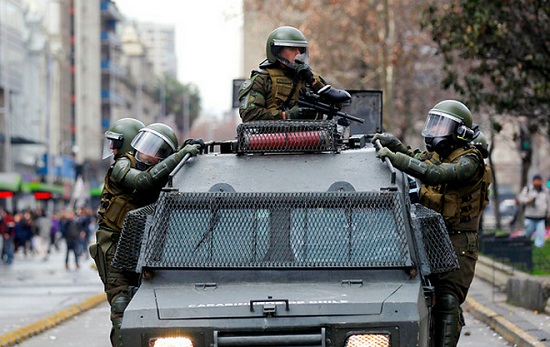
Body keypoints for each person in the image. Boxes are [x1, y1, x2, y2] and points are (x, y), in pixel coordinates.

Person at [372, 100, 492, 347]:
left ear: (459, 132)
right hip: (434, 237)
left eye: (441, 126)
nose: (434, 132)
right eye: (433, 125)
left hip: (459, 242)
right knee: (425, 296)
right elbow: (420, 159)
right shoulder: (441, 155)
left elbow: (436, 174)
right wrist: (396, 146)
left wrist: (398, 159)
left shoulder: (471, 161)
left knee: (447, 300)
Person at [89, 119, 202, 347]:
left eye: (156, 151)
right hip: (112, 247)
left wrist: (183, 152)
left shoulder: (156, 169)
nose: (149, 155)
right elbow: (143, 182)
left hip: (142, 250)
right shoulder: (121, 165)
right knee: (121, 306)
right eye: (147, 148)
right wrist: (180, 155)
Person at [239, 25, 328, 122]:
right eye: (292, 48)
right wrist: (286, 115)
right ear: (277, 51)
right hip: (273, 136)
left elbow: (337, 105)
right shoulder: (262, 79)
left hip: (312, 135)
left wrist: (313, 82)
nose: (298, 53)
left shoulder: (310, 78)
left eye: (300, 49)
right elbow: (249, 114)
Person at [517, 174, 550, 248]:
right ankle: (525, 245)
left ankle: (538, 247)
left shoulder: (545, 190)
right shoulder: (528, 189)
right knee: (528, 233)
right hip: (530, 216)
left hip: (541, 217)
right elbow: (520, 198)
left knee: (541, 234)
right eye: (536, 180)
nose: (538, 182)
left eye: (539, 180)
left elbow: (548, 202)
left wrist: (548, 213)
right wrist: (527, 201)